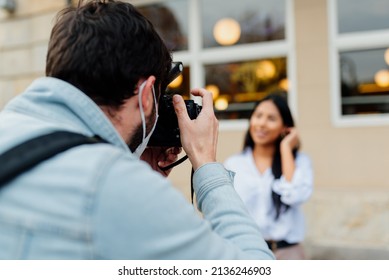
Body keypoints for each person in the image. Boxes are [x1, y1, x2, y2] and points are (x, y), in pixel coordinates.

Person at [0, 0, 274, 260]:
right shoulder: (112, 184)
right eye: (159, 96)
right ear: (145, 96)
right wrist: (206, 164)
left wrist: (135, 163)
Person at [224, 94, 313, 260]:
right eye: (258, 116)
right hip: (246, 253)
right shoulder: (234, 164)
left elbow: (295, 195)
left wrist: (286, 148)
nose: (262, 124)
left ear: (284, 127)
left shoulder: (300, 162)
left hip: (288, 254)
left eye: (271, 118)